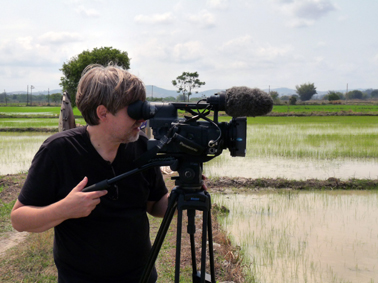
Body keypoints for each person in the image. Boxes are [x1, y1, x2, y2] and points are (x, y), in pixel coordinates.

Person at [11, 64, 169, 283]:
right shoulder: (59, 150)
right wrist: (64, 209)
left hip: (140, 277)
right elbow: (19, 219)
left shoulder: (142, 147)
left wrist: (183, 193)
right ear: (102, 113)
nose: (141, 119)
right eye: (134, 110)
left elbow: (155, 205)